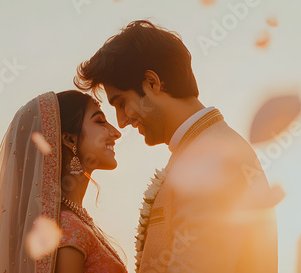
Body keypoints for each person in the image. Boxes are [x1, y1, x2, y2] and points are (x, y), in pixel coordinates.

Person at [75, 20, 279, 273]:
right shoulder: (205, 147)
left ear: (152, 83)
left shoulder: (209, 157)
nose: (122, 121)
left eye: (121, 102)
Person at [0, 90, 127, 273]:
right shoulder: (68, 228)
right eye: (100, 121)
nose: (116, 132)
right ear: (69, 138)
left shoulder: (71, 221)